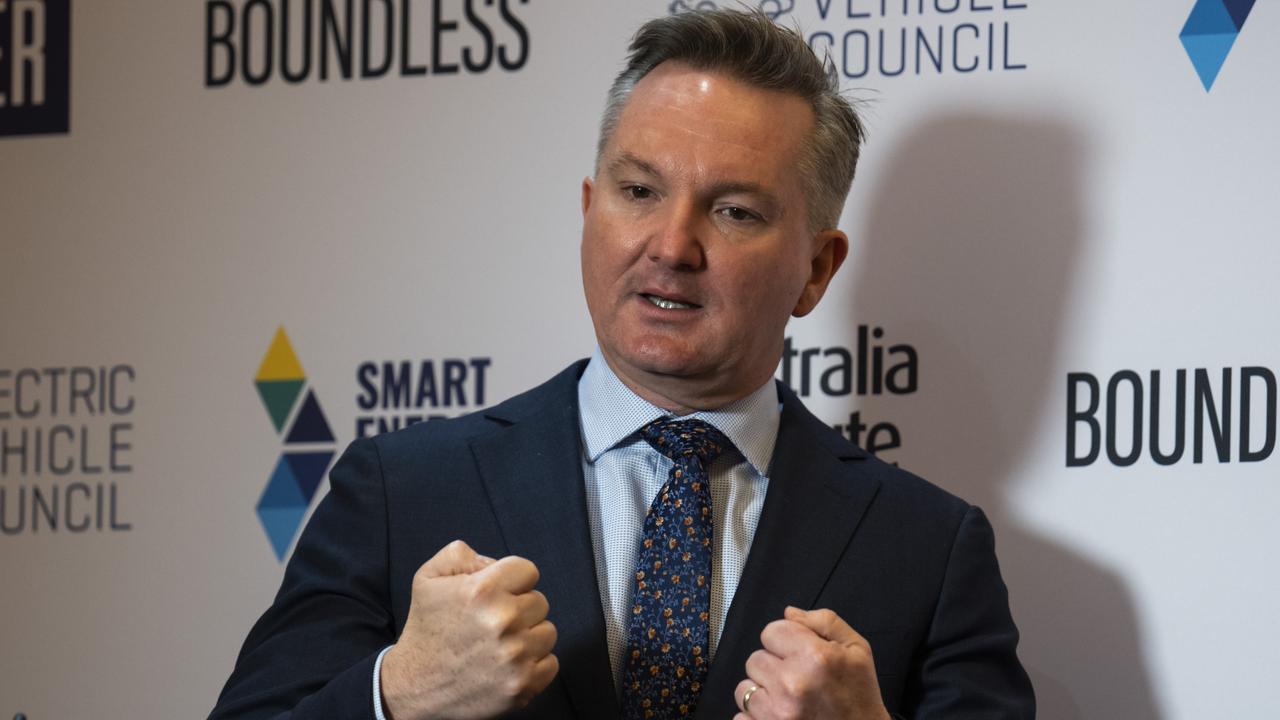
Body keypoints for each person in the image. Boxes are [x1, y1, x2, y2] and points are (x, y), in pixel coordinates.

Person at [210, 9, 1035, 720]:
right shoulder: (400, 492)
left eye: (734, 210)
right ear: (587, 209)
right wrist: (396, 694)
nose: (671, 247)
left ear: (816, 269)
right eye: (638, 192)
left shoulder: (929, 548)